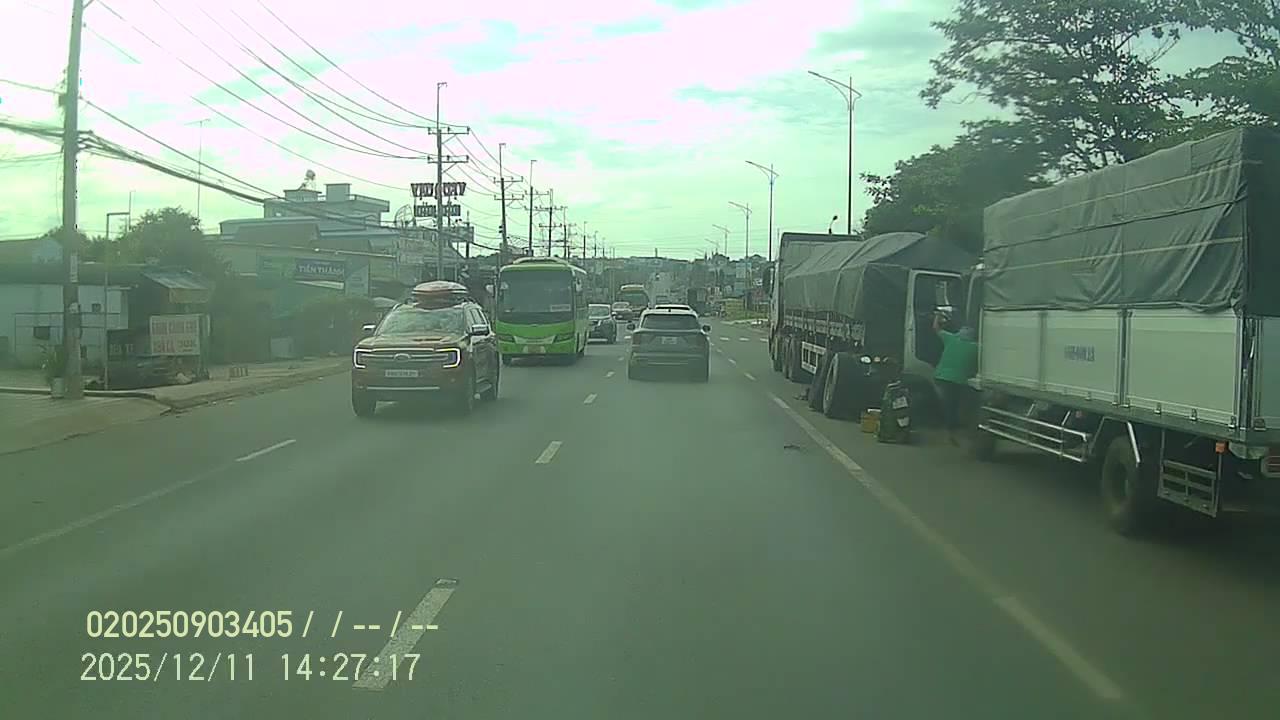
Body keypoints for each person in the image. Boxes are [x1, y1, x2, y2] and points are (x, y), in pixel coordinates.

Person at [932, 312, 979, 445]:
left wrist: (937, 315)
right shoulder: (976, 347)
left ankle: (950, 431)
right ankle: (963, 431)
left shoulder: (951, 338)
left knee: (949, 404)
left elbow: (936, 328)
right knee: (960, 405)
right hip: (960, 381)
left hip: (941, 377)